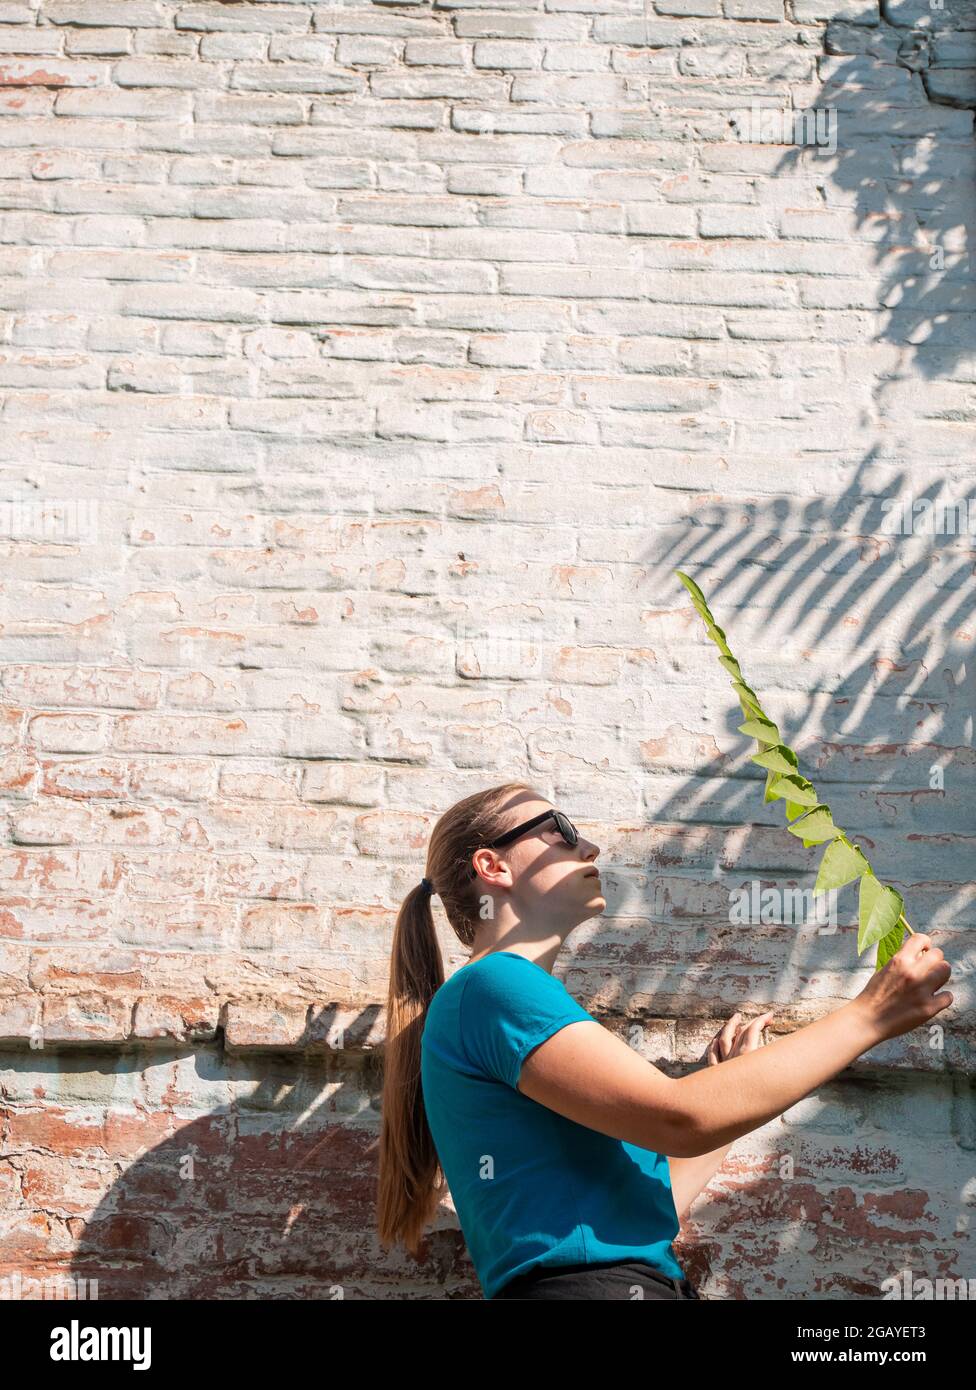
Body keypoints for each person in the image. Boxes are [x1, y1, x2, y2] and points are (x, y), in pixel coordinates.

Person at [376, 782, 954, 1300]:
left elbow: (652, 1209)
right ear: (492, 866)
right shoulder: (494, 984)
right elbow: (679, 1118)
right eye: (561, 832)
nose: (589, 848)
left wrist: (721, 1091)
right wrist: (872, 1015)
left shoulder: (500, 997)